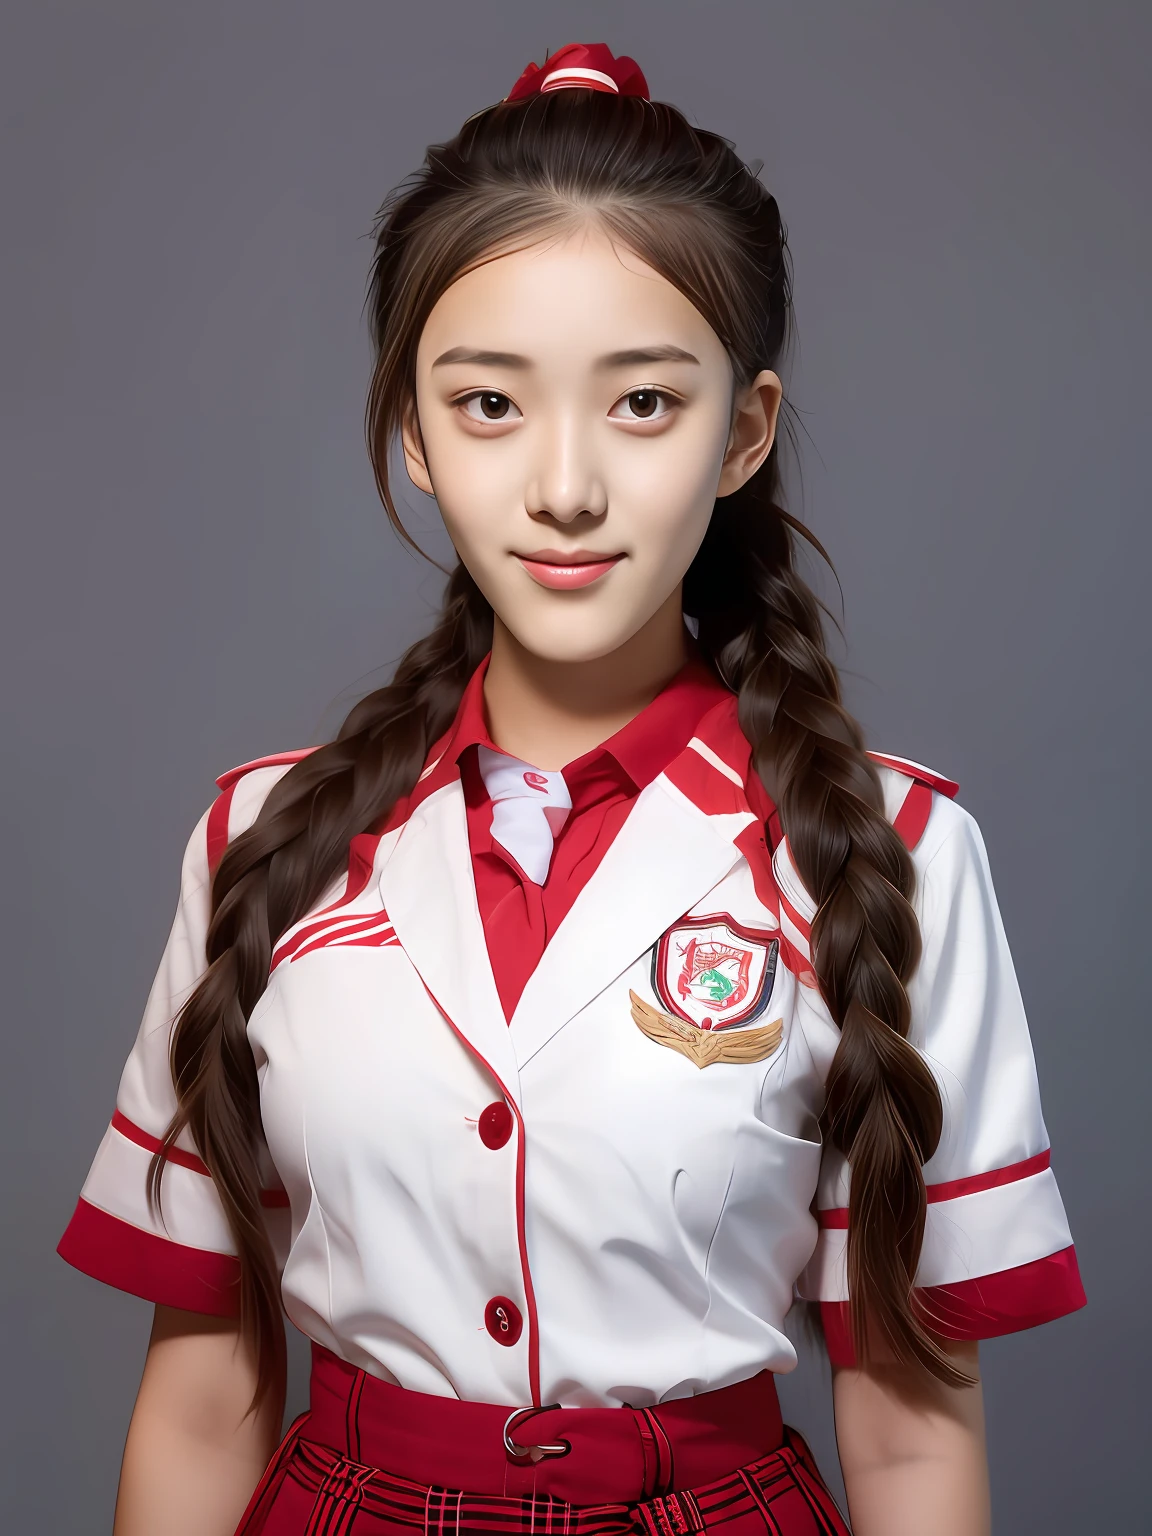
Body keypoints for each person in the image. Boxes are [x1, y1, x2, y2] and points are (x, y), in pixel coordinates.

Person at [58, 41, 1086, 1536]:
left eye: (644, 406)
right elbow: (205, 1399)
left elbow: (917, 1445)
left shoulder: (904, 852)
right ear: (411, 427)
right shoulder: (257, 841)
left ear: (744, 429)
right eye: (487, 404)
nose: (564, 486)